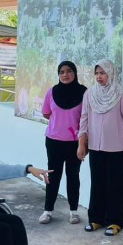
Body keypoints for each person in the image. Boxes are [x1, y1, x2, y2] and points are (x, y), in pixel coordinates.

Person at [77, 60, 123, 236]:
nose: (99, 77)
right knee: (97, 183)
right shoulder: (90, 94)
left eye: (103, 73)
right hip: (95, 146)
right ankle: (96, 219)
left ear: (111, 73)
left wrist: (119, 135)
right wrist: (81, 142)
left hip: (116, 146)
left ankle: (115, 222)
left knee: (115, 185)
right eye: (97, 73)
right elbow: (84, 118)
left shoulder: (122, 94)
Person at [39, 61, 87, 225]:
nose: (65, 75)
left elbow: (86, 118)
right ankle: (47, 211)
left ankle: (73, 212)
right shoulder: (52, 92)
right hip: (54, 141)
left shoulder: (84, 93)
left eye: (69, 71)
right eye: (61, 72)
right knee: (53, 176)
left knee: (73, 176)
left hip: (75, 143)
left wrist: (84, 143)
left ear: (75, 73)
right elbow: (46, 113)